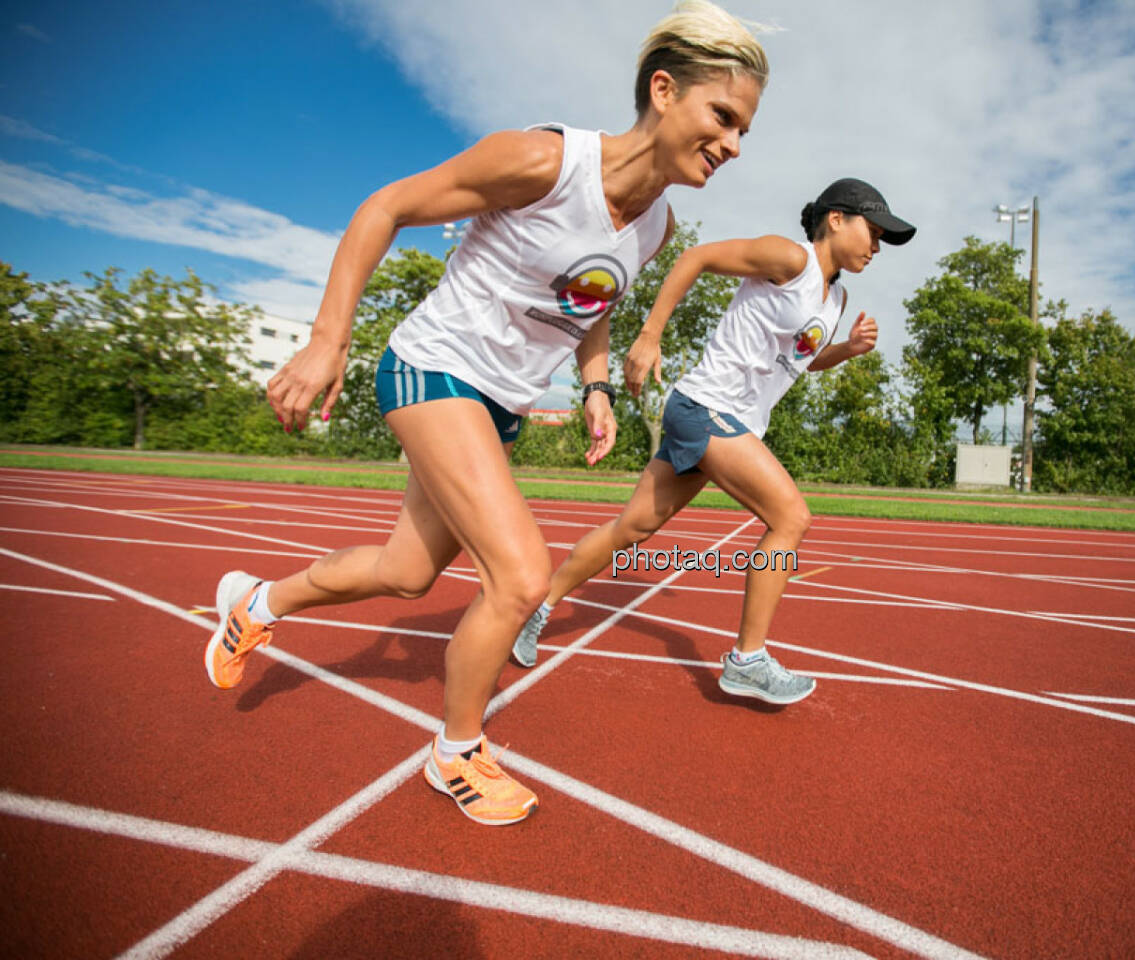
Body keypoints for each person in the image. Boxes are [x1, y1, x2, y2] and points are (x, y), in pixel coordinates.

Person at [202, 0, 769, 826]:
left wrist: (597, 384)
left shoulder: (655, 223)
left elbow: (595, 300)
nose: (733, 144)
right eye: (723, 116)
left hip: (496, 405)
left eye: (744, 129)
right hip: (431, 368)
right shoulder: (543, 160)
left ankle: (256, 604)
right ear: (663, 89)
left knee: (407, 572)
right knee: (520, 574)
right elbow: (385, 207)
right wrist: (329, 340)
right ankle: (456, 752)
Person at [511, 178, 915, 704]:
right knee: (790, 518)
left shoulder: (837, 296)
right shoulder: (789, 258)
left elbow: (804, 357)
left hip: (725, 420)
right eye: (874, 231)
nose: (877, 247)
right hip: (708, 409)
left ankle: (535, 605)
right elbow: (696, 258)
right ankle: (747, 660)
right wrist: (650, 334)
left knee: (633, 527)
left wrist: (847, 351)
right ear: (836, 219)